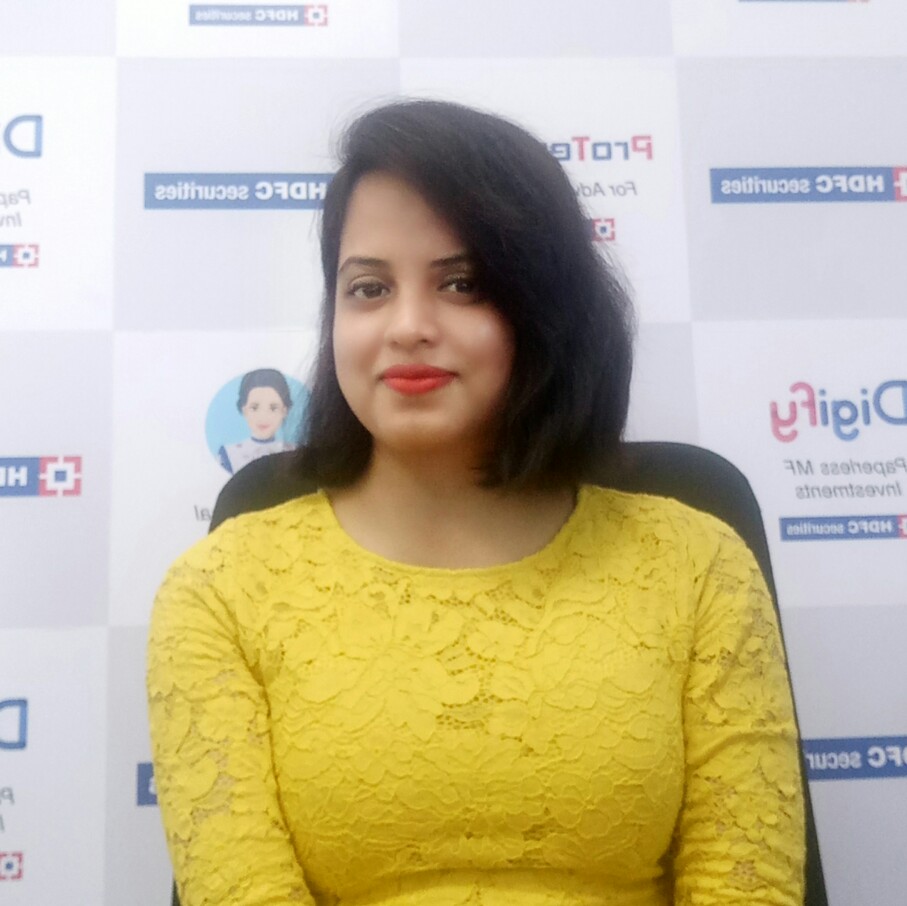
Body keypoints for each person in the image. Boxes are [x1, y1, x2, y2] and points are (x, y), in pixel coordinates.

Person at [147, 99, 805, 906]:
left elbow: (746, 886)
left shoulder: (698, 567)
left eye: (461, 284)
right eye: (367, 288)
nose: (407, 326)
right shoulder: (219, 592)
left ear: (544, 310)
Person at [217, 367, 295, 475]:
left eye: (273, 408)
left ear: (284, 411)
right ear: (244, 410)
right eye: (254, 408)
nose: (263, 417)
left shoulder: (296, 452)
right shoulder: (229, 454)